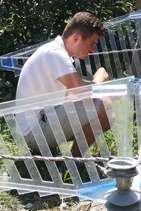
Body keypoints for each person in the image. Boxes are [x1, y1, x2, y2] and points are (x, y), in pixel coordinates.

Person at [15, 12, 111, 156]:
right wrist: (99, 77)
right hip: (34, 133)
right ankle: (73, 163)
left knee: (107, 110)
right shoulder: (55, 54)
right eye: (92, 43)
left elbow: (74, 93)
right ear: (76, 38)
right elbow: (85, 94)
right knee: (105, 105)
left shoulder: (56, 52)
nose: (93, 50)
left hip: (38, 125)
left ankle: (73, 159)